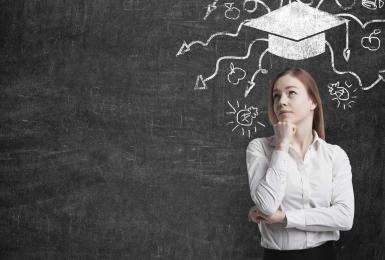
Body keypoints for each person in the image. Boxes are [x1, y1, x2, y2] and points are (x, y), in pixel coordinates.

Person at [246, 68, 354, 260]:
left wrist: (286, 218)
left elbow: (344, 217)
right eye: (276, 96)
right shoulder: (259, 148)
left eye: (291, 93)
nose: (282, 102)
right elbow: (267, 207)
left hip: (324, 255)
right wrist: (281, 146)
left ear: (313, 101)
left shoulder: (335, 155)